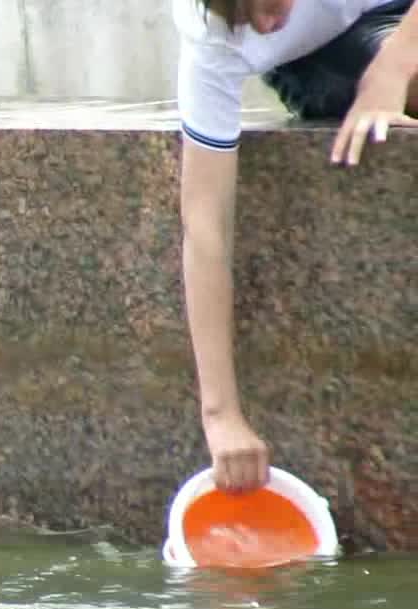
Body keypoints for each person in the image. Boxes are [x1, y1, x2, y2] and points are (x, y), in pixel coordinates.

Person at [174, 0, 418, 494]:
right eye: (245, 20)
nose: (265, 27)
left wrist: (393, 68)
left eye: (268, 5)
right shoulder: (211, 38)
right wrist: (221, 418)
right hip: (330, 55)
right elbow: (205, 228)